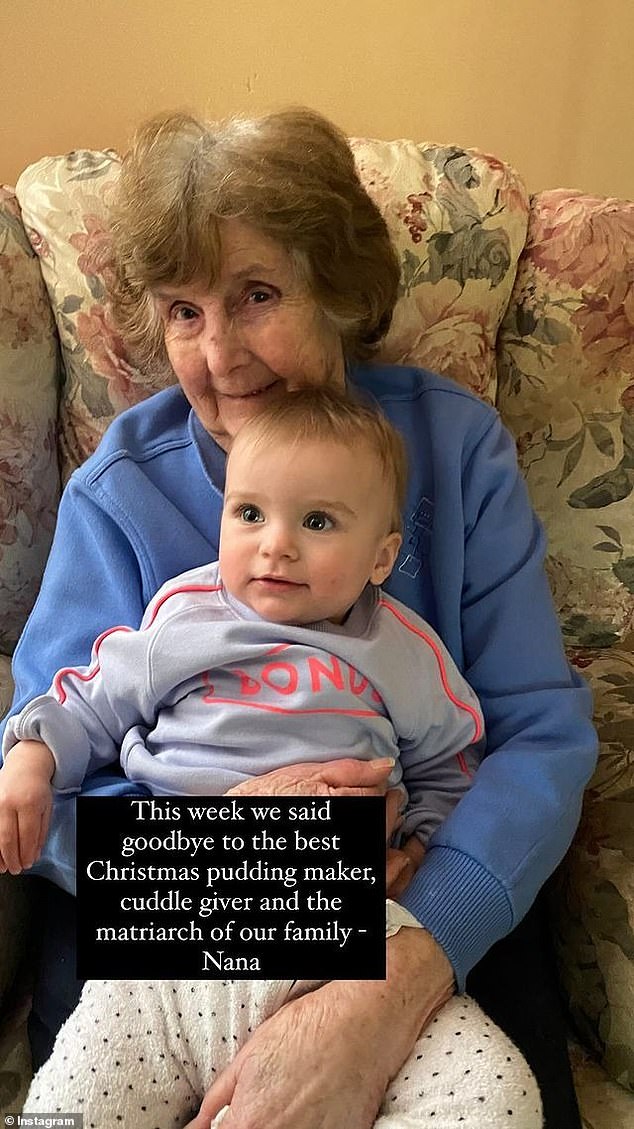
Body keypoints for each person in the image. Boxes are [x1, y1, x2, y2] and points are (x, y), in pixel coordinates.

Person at [0, 107, 597, 1129]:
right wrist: (272, 856)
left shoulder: (455, 450)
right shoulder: (118, 493)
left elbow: (538, 734)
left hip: (418, 886)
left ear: (341, 293)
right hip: (165, 904)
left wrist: (404, 963)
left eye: (258, 295)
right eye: (182, 311)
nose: (219, 353)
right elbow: (43, 792)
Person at [3, 389, 541, 1128]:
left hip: (357, 939)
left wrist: (420, 844)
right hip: (174, 939)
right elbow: (87, 703)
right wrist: (32, 756)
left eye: (316, 521)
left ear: (382, 556)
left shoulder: (405, 653)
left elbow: (454, 763)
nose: (275, 544)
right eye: (249, 514)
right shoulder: (183, 617)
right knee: (73, 1104)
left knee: (497, 1094)